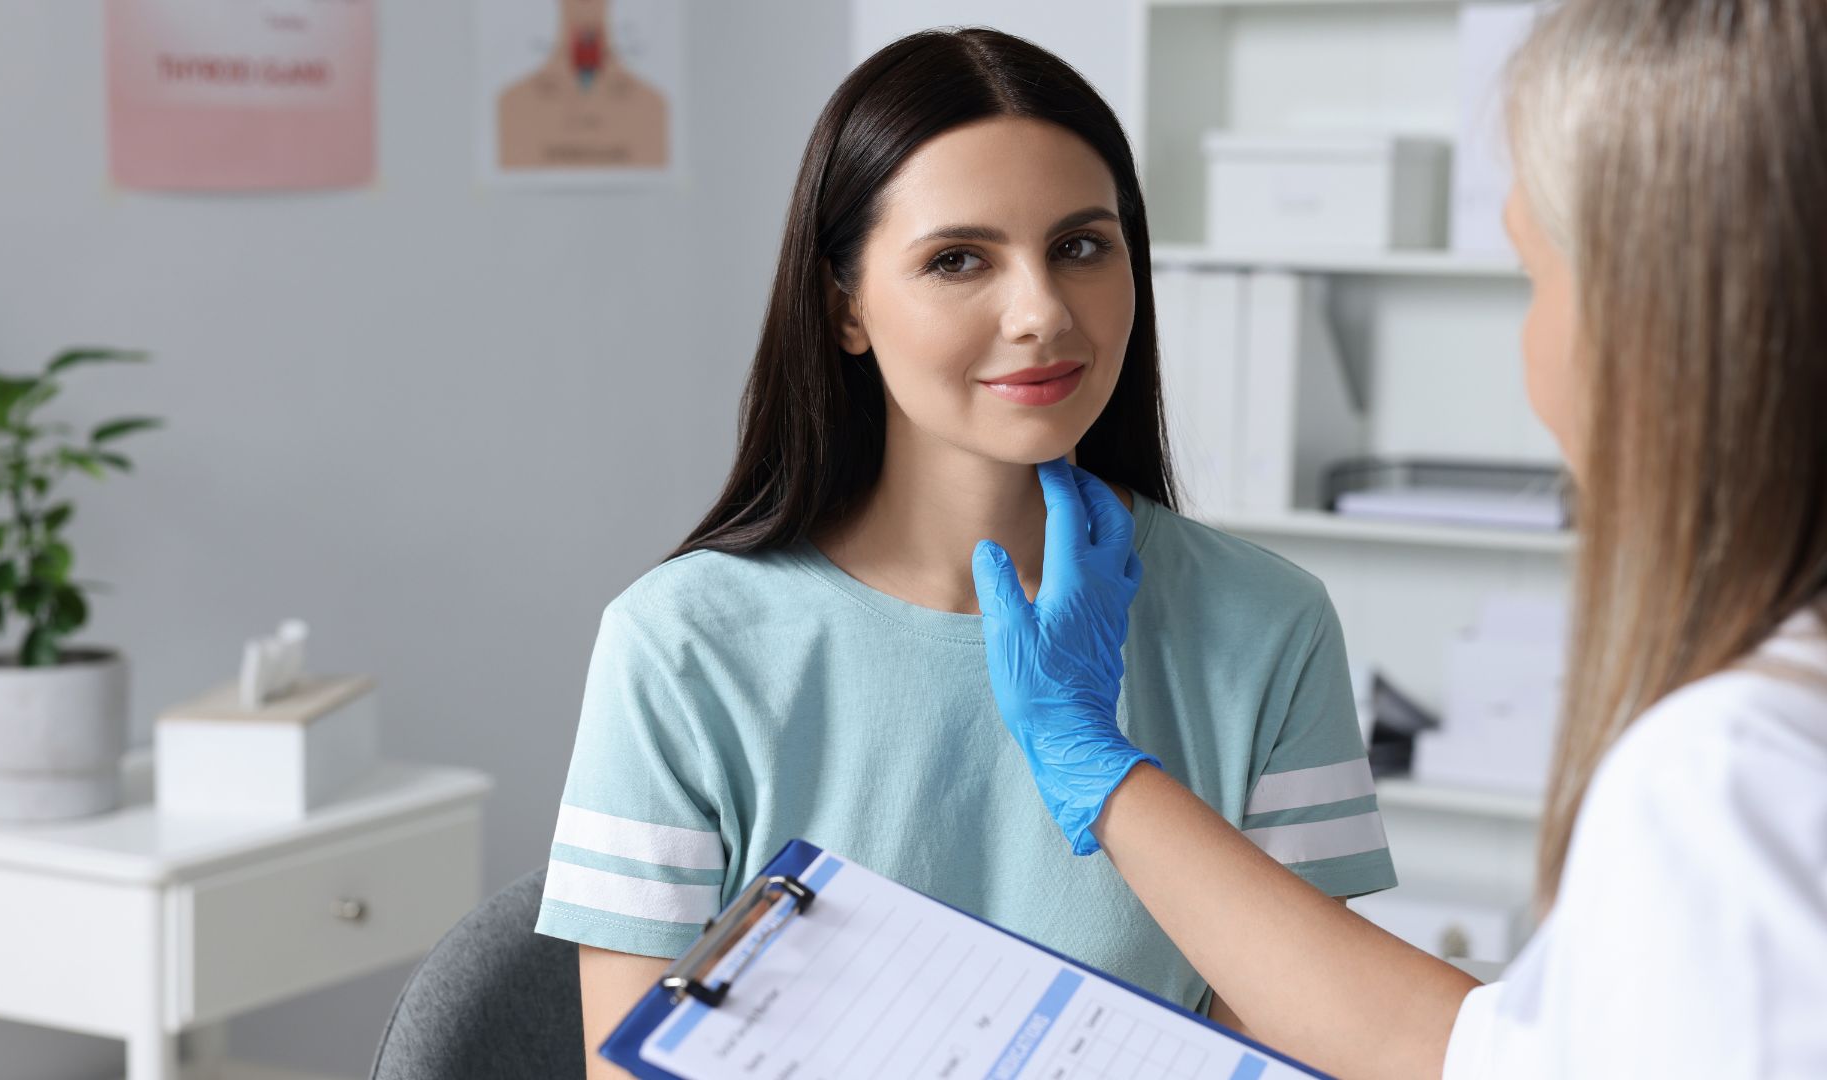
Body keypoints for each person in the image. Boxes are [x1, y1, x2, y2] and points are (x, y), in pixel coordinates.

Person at [973, 2, 1827, 1077]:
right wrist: (1098, 769)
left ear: (1658, 317)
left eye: (1536, 275)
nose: (1040, 315)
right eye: (959, 260)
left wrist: (1086, 758)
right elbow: (1478, 1052)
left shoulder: (1729, 777)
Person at [536, 28, 1399, 1076]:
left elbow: (1306, 1040)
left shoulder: (1268, 624)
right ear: (843, 305)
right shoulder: (679, 649)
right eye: (958, 260)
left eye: (1083, 246)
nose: (1041, 312)